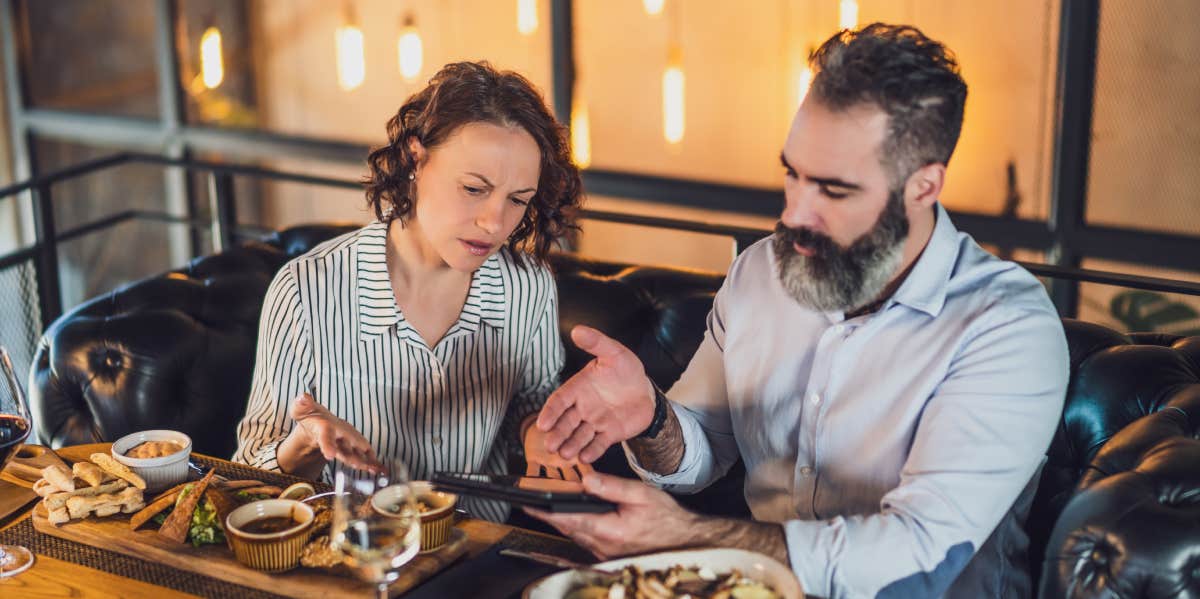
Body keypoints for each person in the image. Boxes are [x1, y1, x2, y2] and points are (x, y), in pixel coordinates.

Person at [529, 24, 1069, 598]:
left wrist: (688, 538)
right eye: (793, 174)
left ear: (922, 186)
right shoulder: (763, 271)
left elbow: (915, 551)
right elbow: (701, 450)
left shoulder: (1007, 327)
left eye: (833, 190)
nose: (795, 215)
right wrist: (651, 416)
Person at [233, 61, 587, 522]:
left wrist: (536, 430)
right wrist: (305, 446)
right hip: (353, 551)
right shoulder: (306, 289)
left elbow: (531, 395)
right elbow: (247, 470)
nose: (495, 223)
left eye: (518, 199)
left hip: (475, 549)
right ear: (416, 158)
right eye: (474, 188)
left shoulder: (529, 287)